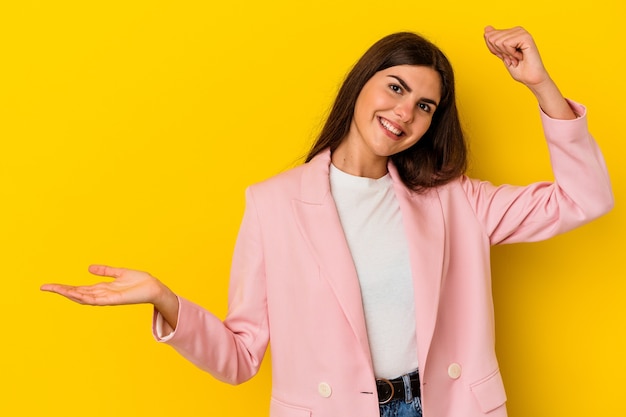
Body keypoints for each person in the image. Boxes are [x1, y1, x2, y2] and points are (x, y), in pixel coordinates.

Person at [41, 26, 613, 417]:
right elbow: (241, 358)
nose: (404, 113)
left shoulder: (455, 200)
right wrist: (166, 301)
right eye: (396, 87)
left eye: (424, 106)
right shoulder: (272, 204)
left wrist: (540, 84)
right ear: (362, 83)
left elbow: (585, 198)